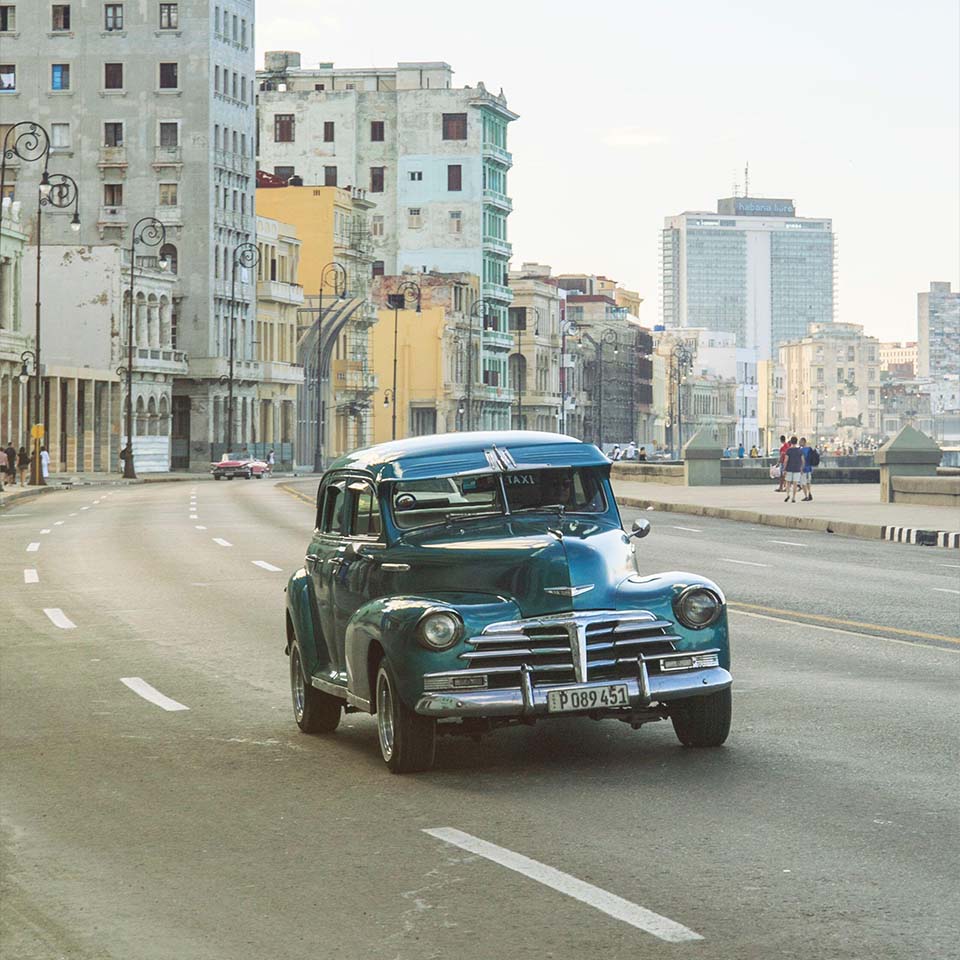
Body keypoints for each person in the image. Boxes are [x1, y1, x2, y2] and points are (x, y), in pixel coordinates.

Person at [783, 436, 805, 503]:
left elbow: (786, 460)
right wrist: (801, 468)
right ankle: (793, 497)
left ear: (791, 442)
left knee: (788, 482)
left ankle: (787, 495)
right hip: (797, 468)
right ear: (796, 442)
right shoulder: (799, 451)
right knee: (795, 484)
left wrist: (784, 469)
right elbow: (803, 460)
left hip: (789, 468)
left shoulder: (788, 450)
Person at [800, 437, 815, 501]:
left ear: (803, 442)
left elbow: (802, 460)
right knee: (808, 482)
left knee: (803, 483)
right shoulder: (810, 449)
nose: (799, 443)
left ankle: (806, 496)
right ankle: (809, 493)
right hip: (810, 468)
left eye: (800, 442)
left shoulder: (801, 450)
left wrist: (801, 468)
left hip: (804, 468)